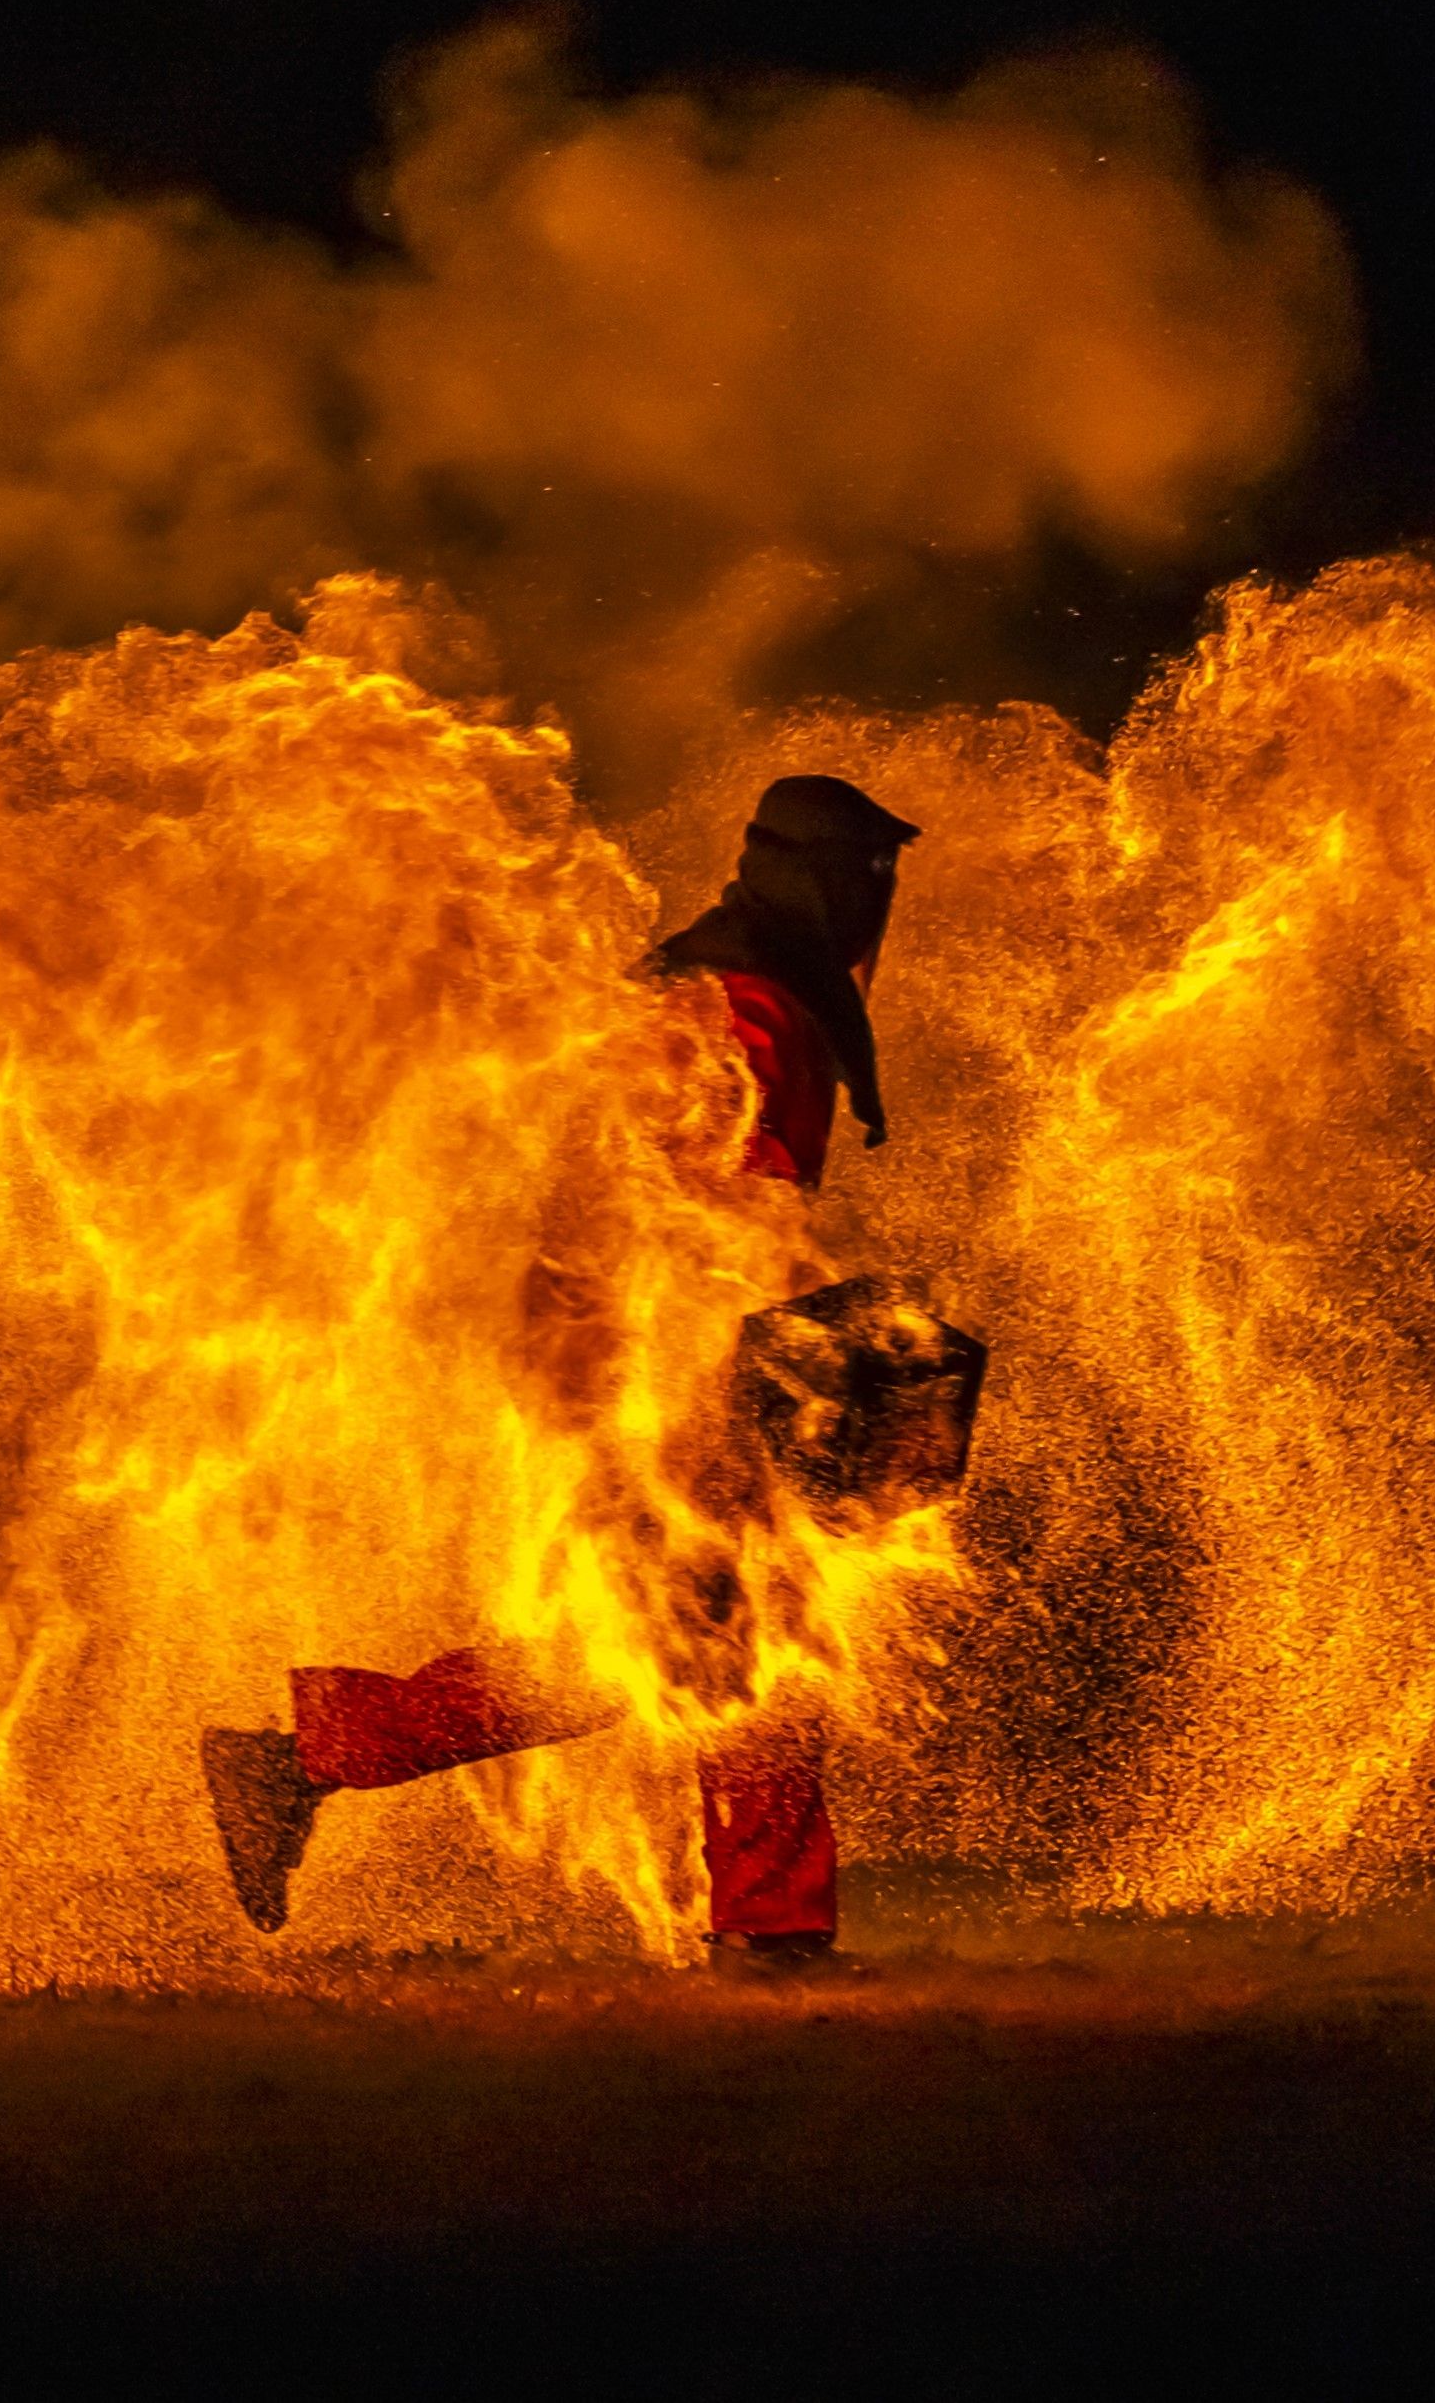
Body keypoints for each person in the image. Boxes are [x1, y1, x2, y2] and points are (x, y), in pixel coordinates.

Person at [201, 773, 958, 1969]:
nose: (877, 910)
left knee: (656, 1646)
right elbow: (720, 1210)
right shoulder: (745, 1004)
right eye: (867, 883)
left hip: (659, 1351)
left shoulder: (730, 983)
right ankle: (769, 1934)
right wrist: (780, 1369)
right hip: (680, 1365)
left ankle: (312, 1753)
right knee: (743, 1637)